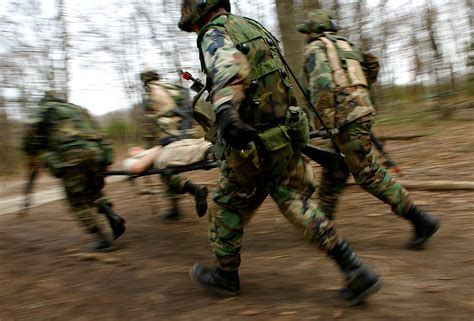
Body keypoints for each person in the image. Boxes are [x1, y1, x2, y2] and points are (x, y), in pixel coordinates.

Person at [178, 0, 382, 305]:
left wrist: (225, 110)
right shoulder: (254, 28)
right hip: (284, 135)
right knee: (298, 203)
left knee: (225, 205)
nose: (194, 29)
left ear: (198, 16)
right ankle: (354, 269)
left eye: (192, 23)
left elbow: (227, 69)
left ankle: (225, 276)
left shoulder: (213, 33)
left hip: (251, 144)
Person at [298, 10, 439, 249]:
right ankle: (321, 223)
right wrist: (360, 92)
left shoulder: (315, 49)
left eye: (306, 33)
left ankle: (420, 219)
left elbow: (320, 86)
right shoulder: (346, 45)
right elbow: (372, 63)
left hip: (343, 118)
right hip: (359, 111)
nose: (304, 37)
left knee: (367, 173)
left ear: (313, 31)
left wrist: (325, 123)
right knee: (336, 167)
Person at [21, 91, 125, 252]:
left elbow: (29, 135)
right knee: (92, 191)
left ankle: (102, 240)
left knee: (76, 201)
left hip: (72, 158)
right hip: (95, 155)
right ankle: (111, 214)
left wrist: (31, 150)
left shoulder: (44, 109)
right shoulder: (77, 110)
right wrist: (105, 159)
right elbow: (98, 133)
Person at [140, 69, 209, 220]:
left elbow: (150, 123)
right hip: (187, 133)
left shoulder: (149, 93)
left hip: (169, 137)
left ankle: (194, 191)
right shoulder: (171, 88)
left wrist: (148, 146)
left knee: (164, 171)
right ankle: (175, 208)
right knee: (170, 170)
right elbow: (189, 108)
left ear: (145, 80)